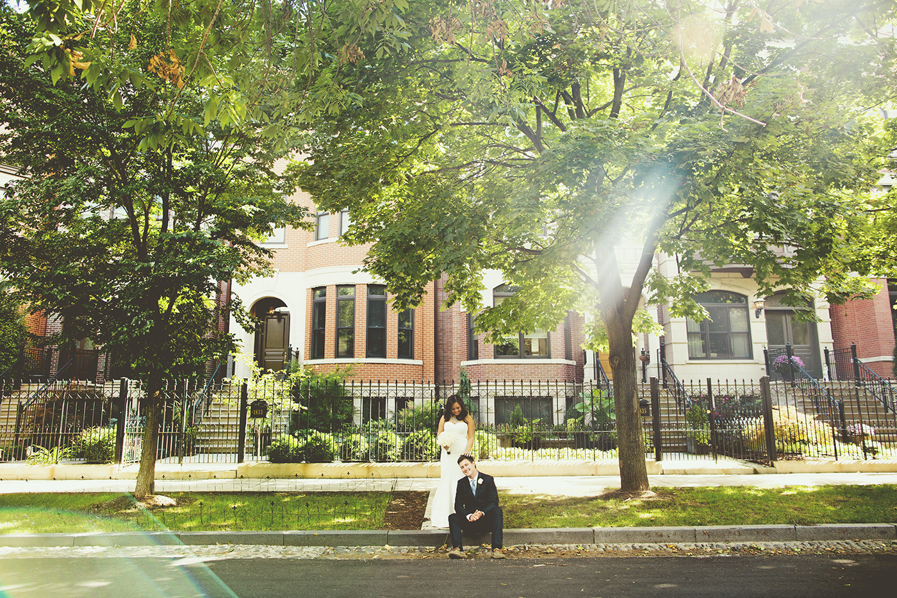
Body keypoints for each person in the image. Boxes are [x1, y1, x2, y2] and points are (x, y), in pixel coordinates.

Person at [429, 394, 475, 528]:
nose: (456, 411)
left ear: (462, 406)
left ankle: (463, 512)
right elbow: (439, 434)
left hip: (462, 453)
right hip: (448, 454)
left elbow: (471, 436)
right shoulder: (445, 418)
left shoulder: (467, 418)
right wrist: (444, 444)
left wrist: (468, 450)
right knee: (448, 479)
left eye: (458, 408)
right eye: (453, 409)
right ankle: (445, 513)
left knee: (461, 479)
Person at [447, 454, 505, 559]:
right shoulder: (461, 483)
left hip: (485, 520)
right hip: (470, 521)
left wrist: (481, 513)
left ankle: (497, 549)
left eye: (466, 465)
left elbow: (493, 502)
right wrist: (469, 515)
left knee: (497, 510)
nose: (465, 469)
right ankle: (457, 549)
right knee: (453, 517)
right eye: (462, 467)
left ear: (473, 464)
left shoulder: (488, 479)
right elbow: (458, 506)